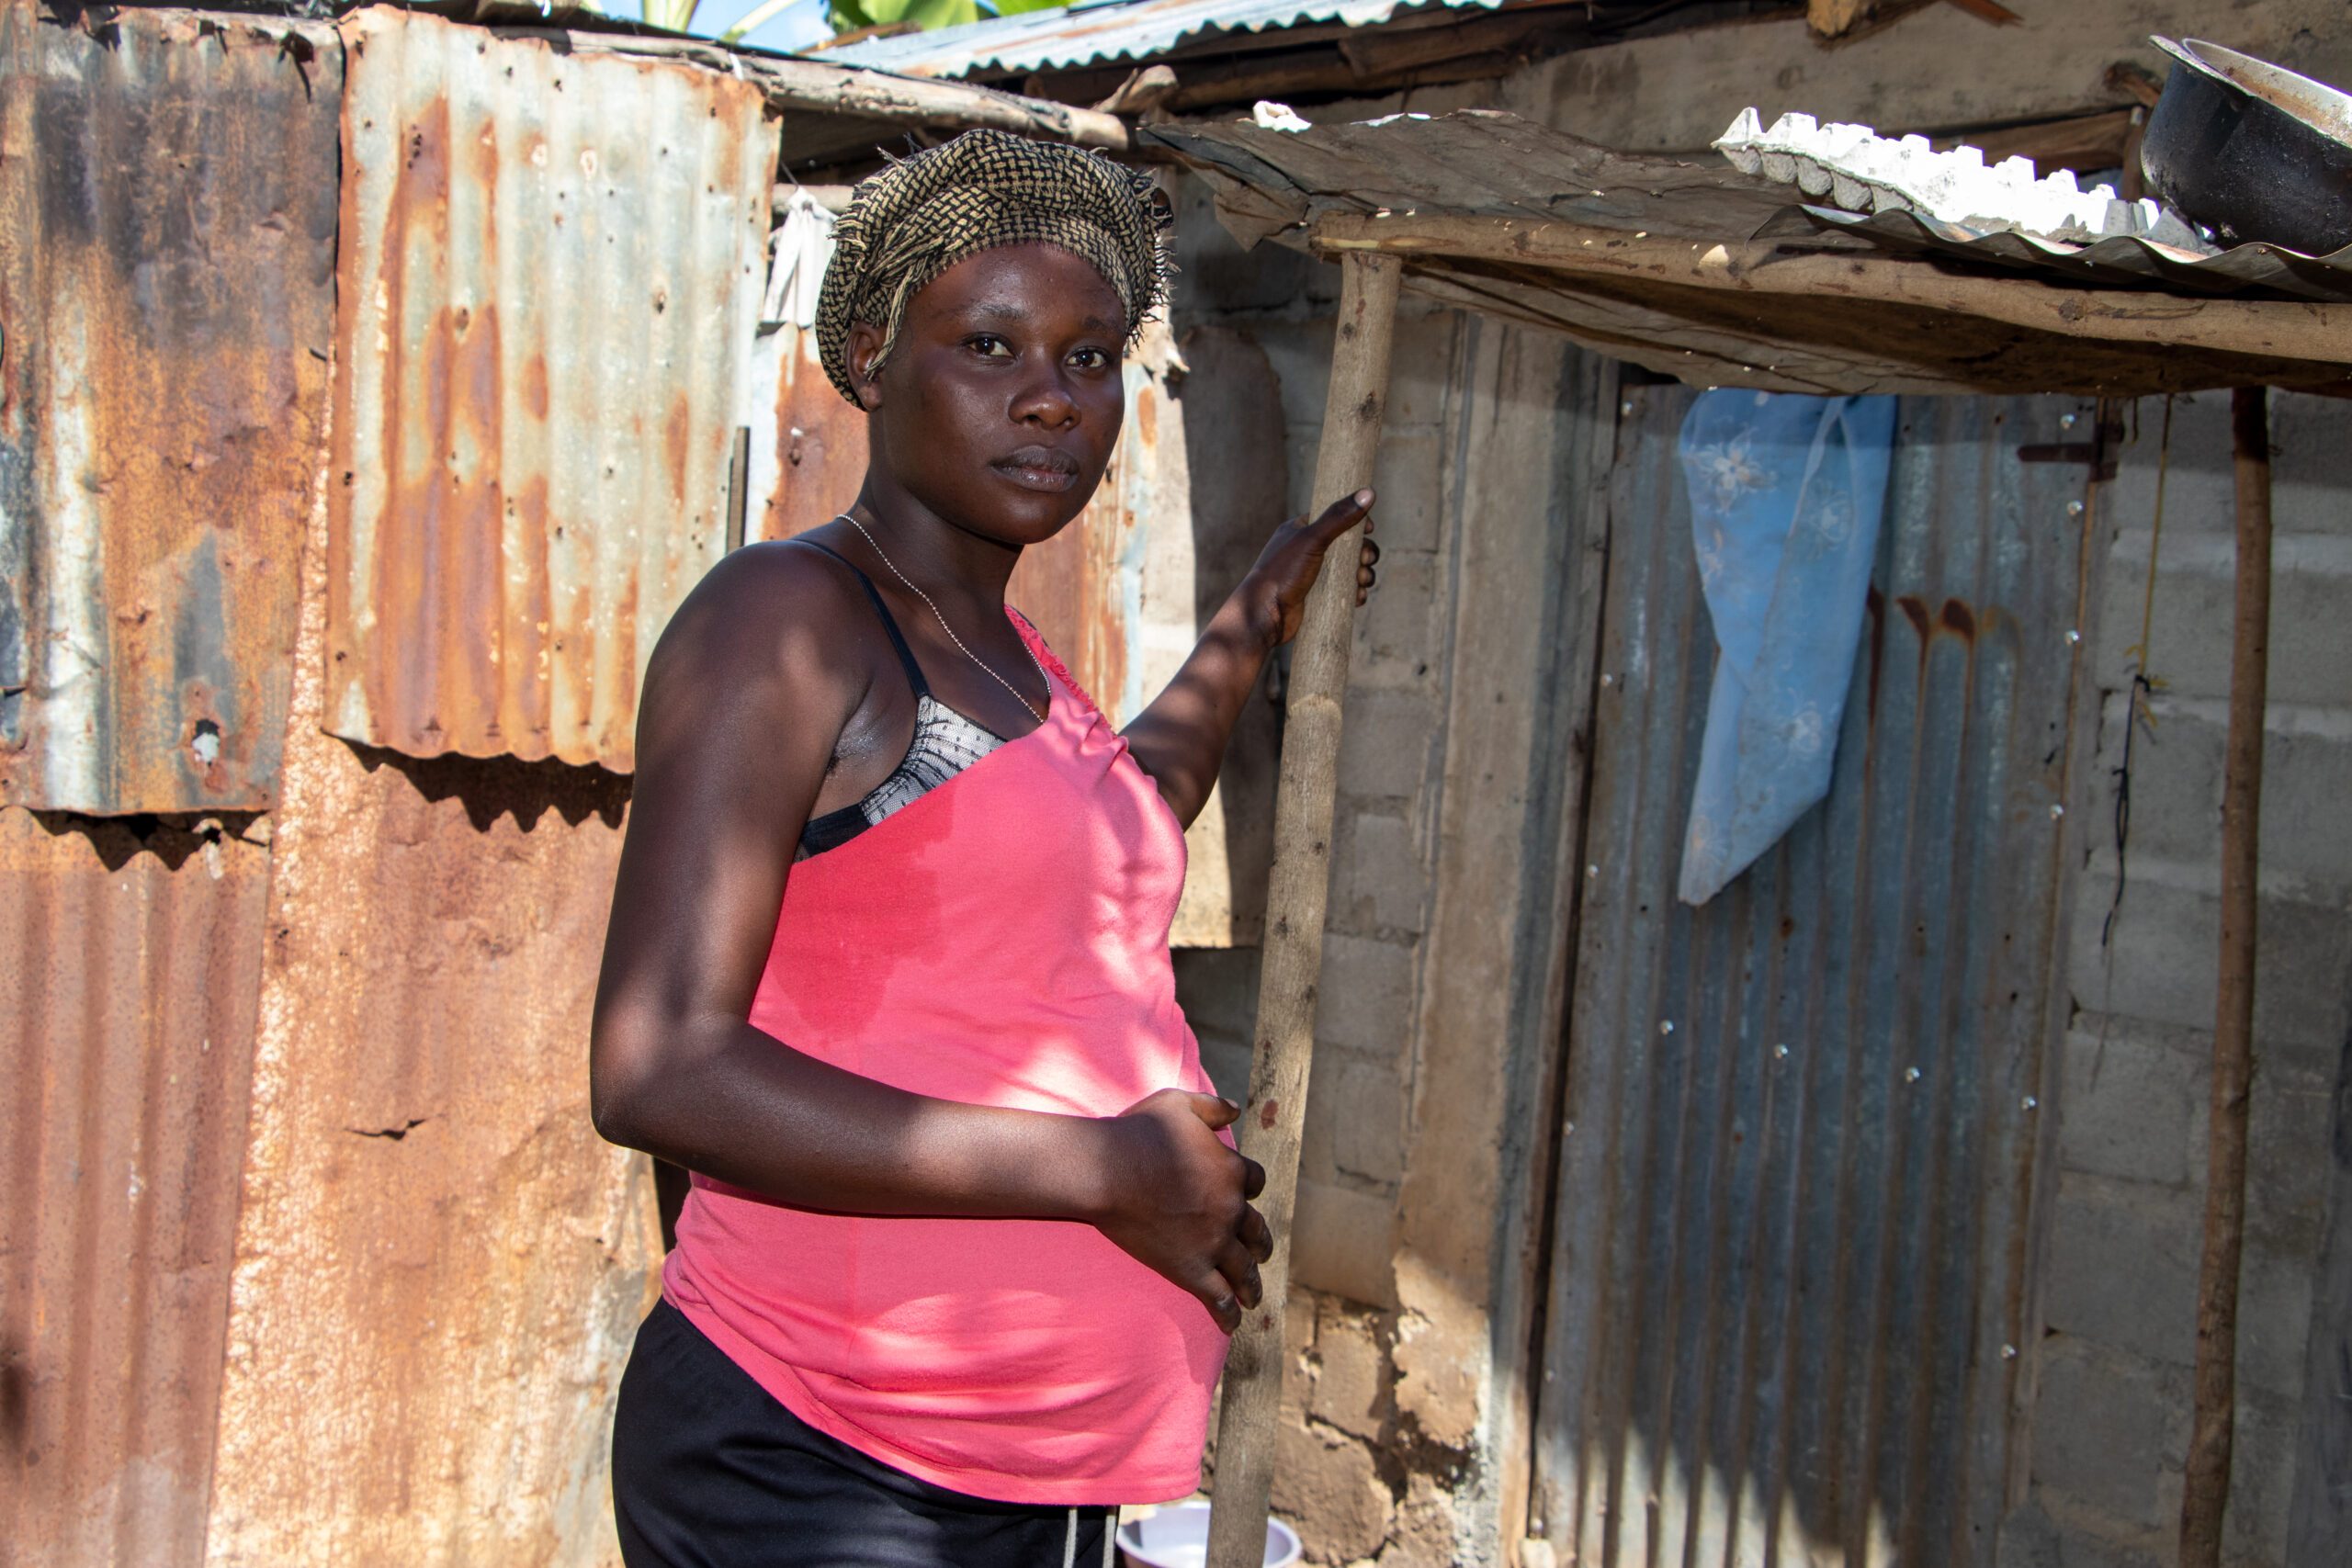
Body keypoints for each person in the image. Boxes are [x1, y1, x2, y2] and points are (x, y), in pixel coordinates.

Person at [591, 129, 1378, 1568]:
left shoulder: (1006, 657)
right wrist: (1105, 1172)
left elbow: (1128, 812)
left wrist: (1253, 622)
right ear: (876, 363)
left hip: (1033, 1479)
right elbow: (658, 1067)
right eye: (989, 343)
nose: (1050, 398)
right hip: (826, 1457)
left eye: (1089, 360)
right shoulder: (792, 619)